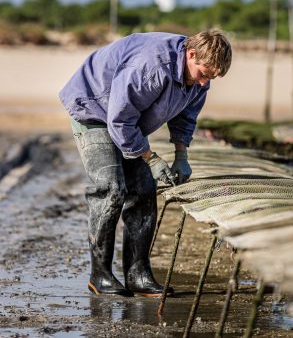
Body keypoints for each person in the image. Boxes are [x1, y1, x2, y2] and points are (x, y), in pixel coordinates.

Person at [59, 30, 232, 297]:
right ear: (192, 54)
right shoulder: (151, 66)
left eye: (212, 78)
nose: (205, 82)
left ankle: (137, 275)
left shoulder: (200, 77)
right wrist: (150, 158)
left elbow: (185, 118)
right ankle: (100, 275)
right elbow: (119, 121)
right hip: (94, 109)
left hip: (127, 119)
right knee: (111, 188)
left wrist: (181, 156)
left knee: (144, 191)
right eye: (204, 74)